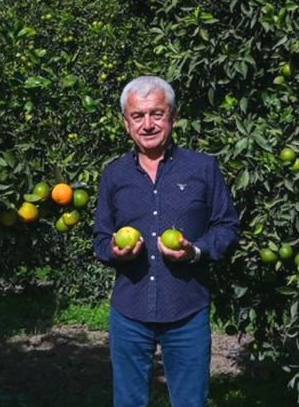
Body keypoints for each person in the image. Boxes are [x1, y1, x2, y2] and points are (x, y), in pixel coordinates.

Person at [92, 76, 240, 407]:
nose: (147, 124)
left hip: (187, 311)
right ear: (126, 122)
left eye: (156, 114)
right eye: (138, 115)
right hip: (130, 312)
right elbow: (100, 237)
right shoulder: (114, 175)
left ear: (172, 116)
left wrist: (195, 251)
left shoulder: (203, 168)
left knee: (190, 402)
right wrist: (115, 252)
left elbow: (227, 226)